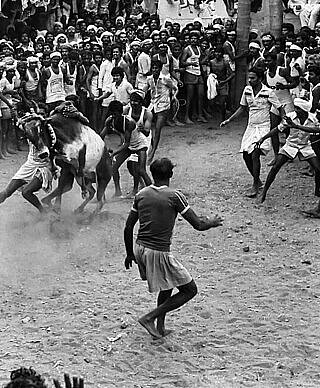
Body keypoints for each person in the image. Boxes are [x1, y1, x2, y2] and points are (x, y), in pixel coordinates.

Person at [124, 158, 223, 339]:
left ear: (152, 174)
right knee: (190, 290)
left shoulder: (142, 194)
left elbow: (128, 226)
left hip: (140, 248)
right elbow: (198, 225)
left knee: (167, 285)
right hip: (157, 251)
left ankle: (160, 327)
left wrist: (129, 253)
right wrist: (212, 222)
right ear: (171, 174)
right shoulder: (174, 196)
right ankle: (149, 318)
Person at [221, 68, 285, 198]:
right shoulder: (247, 90)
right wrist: (229, 120)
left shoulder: (268, 92)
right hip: (251, 127)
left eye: (253, 78)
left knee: (255, 153)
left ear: (260, 78)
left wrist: (283, 122)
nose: (250, 80)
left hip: (263, 127)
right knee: (246, 154)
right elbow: (242, 108)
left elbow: (279, 108)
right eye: (249, 78)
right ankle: (258, 181)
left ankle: (255, 185)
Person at [256, 98, 320, 216]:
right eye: (295, 108)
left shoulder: (313, 118)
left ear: (305, 110)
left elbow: (317, 130)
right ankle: (264, 192)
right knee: (275, 167)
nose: (295, 110)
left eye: (298, 109)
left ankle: (318, 198)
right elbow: (277, 129)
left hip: (305, 146)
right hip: (290, 145)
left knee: (319, 169)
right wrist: (263, 138)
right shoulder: (291, 116)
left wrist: (296, 126)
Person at [0, 126, 54, 218]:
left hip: (43, 169)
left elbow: (46, 152)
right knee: (7, 191)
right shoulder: (32, 136)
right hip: (28, 167)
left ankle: (42, 211)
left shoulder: (47, 139)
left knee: (26, 192)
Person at [111, 90, 153, 197]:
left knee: (139, 169)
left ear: (141, 102)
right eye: (132, 101)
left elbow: (147, 133)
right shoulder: (126, 110)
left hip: (142, 142)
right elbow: (122, 125)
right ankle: (118, 192)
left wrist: (142, 129)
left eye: (136, 101)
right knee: (121, 167)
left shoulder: (147, 113)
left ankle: (150, 191)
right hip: (129, 142)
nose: (133, 103)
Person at [143, 60, 177, 162]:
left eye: (156, 68)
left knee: (157, 130)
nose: (154, 70)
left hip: (163, 105)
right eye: (153, 68)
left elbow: (175, 88)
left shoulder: (165, 79)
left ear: (160, 69)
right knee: (147, 128)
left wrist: (173, 98)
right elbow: (144, 90)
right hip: (153, 105)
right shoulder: (149, 79)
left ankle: (153, 151)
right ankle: (149, 148)